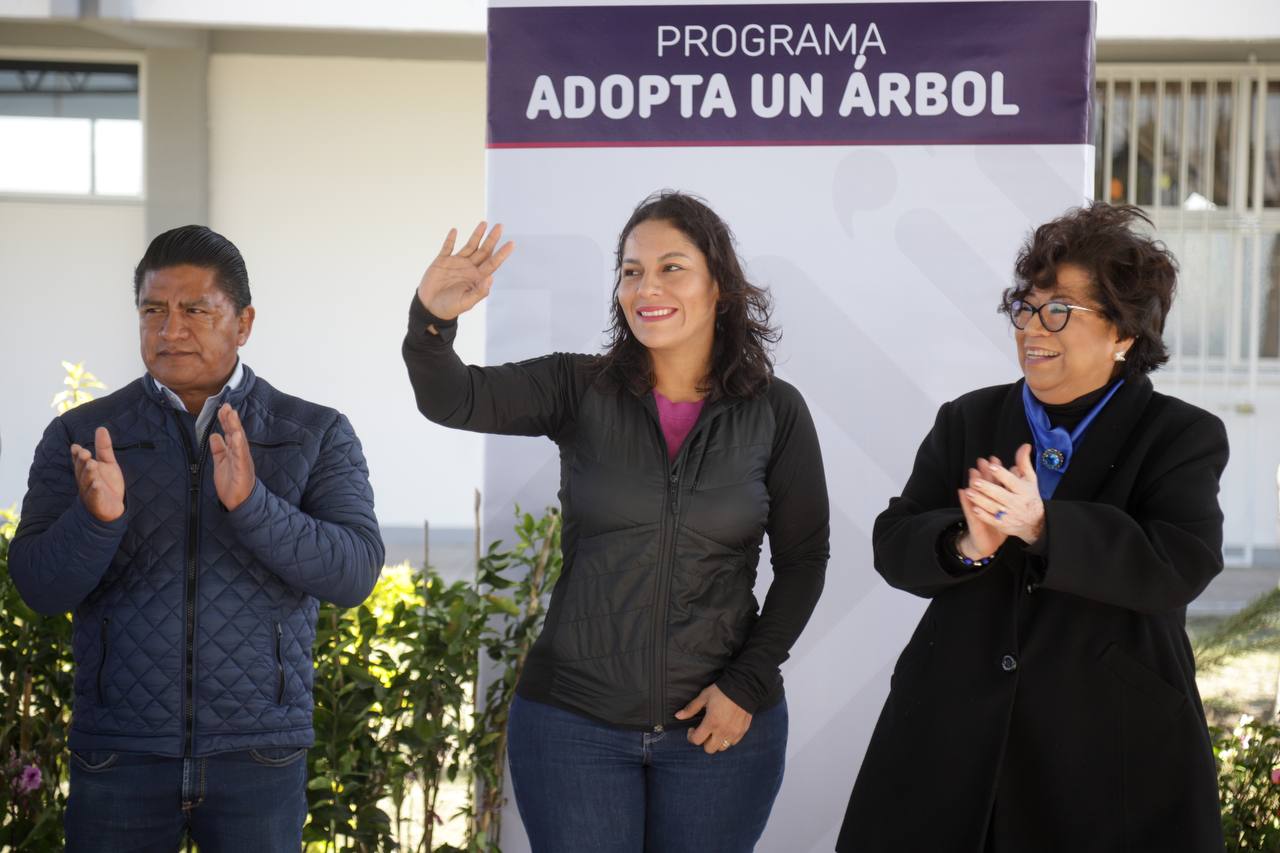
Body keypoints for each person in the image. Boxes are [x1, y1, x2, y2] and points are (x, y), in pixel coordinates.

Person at [403, 191, 830, 852]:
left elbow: (804, 559)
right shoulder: (580, 387)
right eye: (631, 270)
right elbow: (453, 397)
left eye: (671, 267)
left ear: (718, 285)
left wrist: (746, 683)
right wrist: (431, 321)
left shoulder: (774, 411)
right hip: (572, 726)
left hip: (718, 727)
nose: (646, 286)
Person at [837, 202, 1227, 852]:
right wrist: (967, 544)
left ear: (1123, 333)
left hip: (1108, 746)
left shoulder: (1180, 435)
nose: (1032, 327)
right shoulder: (967, 418)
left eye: (1059, 310)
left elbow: (1180, 562)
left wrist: (1047, 526)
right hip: (951, 732)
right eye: (1026, 305)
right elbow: (895, 542)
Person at [9, 225, 385, 851]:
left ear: (243, 323)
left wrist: (252, 505)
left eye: (195, 311)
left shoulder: (313, 432)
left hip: (258, 754)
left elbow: (354, 573)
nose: (169, 330)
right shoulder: (82, 433)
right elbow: (39, 587)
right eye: (153, 310)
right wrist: (96, 520)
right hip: (119, 754)